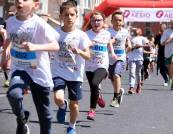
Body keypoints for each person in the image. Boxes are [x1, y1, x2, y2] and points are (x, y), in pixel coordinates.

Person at [1, 0, 60, 134]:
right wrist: (5, 55)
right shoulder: (10, 22)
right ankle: (22, 119)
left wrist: (35, 47)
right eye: (17, 0)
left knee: (44, 113)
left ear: (36, 5)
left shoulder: (39, 23)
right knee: (13, 95)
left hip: (38, 70)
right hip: (20, 68)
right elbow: (9, 39)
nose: (20, 2)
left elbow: (55, 46)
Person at [51, 1, 91, 134]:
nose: (69, 17)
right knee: (58, 98)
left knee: (74, 105)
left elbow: (88, 56)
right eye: (66, 15)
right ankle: (62, 106)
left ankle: (71, 127)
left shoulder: (81, 35)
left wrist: (79, 52)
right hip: (59, 71)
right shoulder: (55, 33)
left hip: (75, 74)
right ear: (61, 17)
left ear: (76, 16)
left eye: (72, 14)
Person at [85, 11, 116, 120]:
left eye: (99, 20)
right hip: (89, 65)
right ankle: (98, 96)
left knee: (94, 83)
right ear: (91, 22)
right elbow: (83, 47)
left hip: (102, 64)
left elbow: (109, 43)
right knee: (93, 88)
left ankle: (92, 111)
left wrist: (112, 53)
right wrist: (89, 45)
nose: (96, 22)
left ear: (103, 22)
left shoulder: (107, 34)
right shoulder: (86, 34)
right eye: (94, 20)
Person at [107, 11, 131, 108]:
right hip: (109, 59)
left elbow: (128, 43)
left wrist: (127, 48)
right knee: (112, 78)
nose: (118, 22)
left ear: (123, 22)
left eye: (120, 20)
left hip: (121, 57)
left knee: (117, 75)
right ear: (112, 21)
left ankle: (115, 98)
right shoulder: (108, 32)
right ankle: (119, 91)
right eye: (116, 20)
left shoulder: (125, 32)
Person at [127, 28, 149, 94]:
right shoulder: (131, 38)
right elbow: (129, 48)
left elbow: (148, 46)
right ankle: (131, 87)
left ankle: (138, 85)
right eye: (134, 30)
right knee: (132, 72)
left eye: (137, 30)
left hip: (139, 58)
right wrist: (135, 47)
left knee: (138, 73)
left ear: (140, 32)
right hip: (131, 58)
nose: (135, 31)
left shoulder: (143, 38)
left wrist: (141, 46)